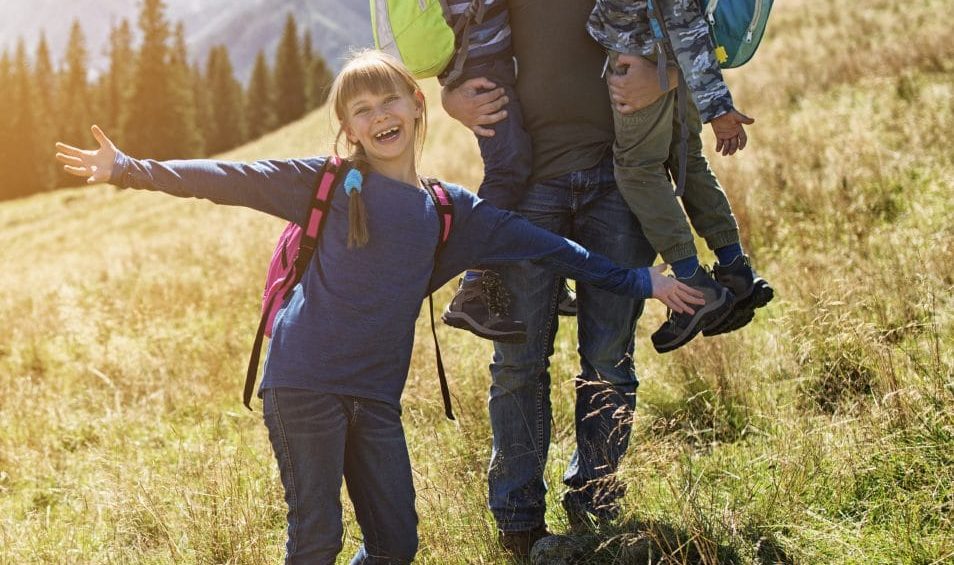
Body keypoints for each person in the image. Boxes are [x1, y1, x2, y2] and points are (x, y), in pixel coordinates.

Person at [55, 50, 703, 564]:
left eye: (389, 98)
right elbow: (229, 181)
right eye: (361, 109)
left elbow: (552, 247)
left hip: (374, 399)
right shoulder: (330, 183)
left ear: (418, 106)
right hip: (302, 383)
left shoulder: (450, 211)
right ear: (347, 129)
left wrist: (640, 281)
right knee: (316, 540)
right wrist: (127, 167)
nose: (379, 115)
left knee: (395, 544)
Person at [441, 1, 688, 555]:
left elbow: (698, 22)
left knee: (607, 357)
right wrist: (448, 92)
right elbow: (448, 31)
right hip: (527, 186)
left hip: (620, 177)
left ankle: (594, 509)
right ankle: (517, 519)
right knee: (518, 360)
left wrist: (664, 71)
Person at [588, 0, 775, 352]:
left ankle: (693, 286)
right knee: (686, 155)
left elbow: (681, 15)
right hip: (679, 58)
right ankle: (735, 269)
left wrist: (717, 106)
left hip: (643, 56)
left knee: (637, 168)